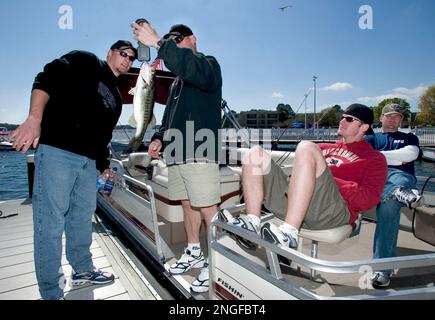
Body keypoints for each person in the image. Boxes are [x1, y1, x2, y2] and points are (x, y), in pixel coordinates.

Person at [8, 40, 137, 300]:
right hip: (58, 152)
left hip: (89, 164)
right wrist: (34, 119)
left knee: (81, 219)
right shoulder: (85, 60)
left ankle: (83, 271)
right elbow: (45, 79)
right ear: (110, 53)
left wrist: (103, 167)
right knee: (50, 223)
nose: (127, 60)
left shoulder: (116, 97)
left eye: (132, 58)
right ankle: (51, 293)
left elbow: (102, 135)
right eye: (123, 53)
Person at [219, 104, 387, 254]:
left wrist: (329, 180)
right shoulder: (324, 147)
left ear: (364, 127)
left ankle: (289, 233)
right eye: (342, 117)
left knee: (306, 146)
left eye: (349, 119)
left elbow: (369, 200)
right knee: (255, 153)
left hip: (330, 212)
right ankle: (252, 223)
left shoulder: (374, 158)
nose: (342, 121)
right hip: (294, 203)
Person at [132, 22, 222, 293]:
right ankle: (194, 251)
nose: (174, 42)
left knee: (207, 207)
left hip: (200, 148)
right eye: (171, 39)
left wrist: (159, 41)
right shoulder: (177, 84)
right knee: (187, 203)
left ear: (193, 38)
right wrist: (159, 136)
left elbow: (190, 66)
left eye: (178, 39)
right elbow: (169, 117)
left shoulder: (208, 65)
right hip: (177, 151)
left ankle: (217, 264)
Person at [365, 103, 422, 288]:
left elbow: (410, 155)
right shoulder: (371, 138)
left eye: (396, 116)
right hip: (377, 178)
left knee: (390, 198)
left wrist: (377, 155)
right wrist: (395, 157)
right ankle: (400, 194)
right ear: (380, 118)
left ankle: (382, 269)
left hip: (401, 177)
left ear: (401, 120)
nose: (392, 119)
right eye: (388, 115)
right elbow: (363, 157)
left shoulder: (409, 137)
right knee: (390, 199)